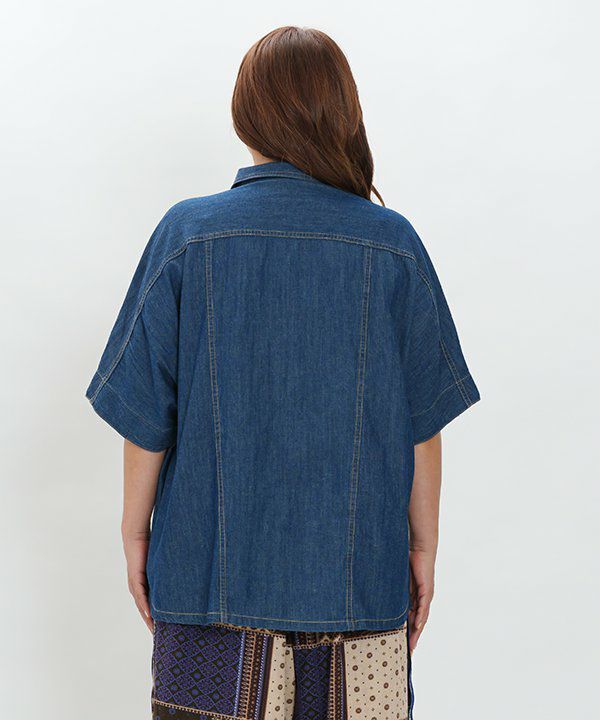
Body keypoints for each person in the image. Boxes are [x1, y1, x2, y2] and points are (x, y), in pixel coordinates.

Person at [86, 26, 479, 720]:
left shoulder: (189, 235)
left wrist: (135, 532)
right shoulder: (393, 245)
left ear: (246, 115)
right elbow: (421, 424)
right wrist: (422, 548)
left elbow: (145, 417)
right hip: (362, 594)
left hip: (207, 594)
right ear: (342, 113)